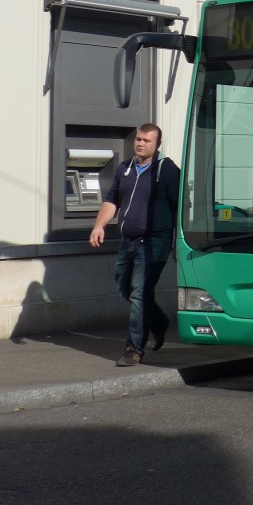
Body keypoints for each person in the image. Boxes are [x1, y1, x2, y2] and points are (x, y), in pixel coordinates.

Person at [89, 123, 181, 367]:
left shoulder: (167, 171)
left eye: (147, 141)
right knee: (125, 288)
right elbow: (112, 201)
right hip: (127, 241)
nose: (140, 143)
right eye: (138, 139)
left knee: (140, 293)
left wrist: (177, 243)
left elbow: (179, 209)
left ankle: (133, 349)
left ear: (157, 145)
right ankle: (159, 320)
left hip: (154, 243)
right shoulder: (125, 168)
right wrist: (99, 226)